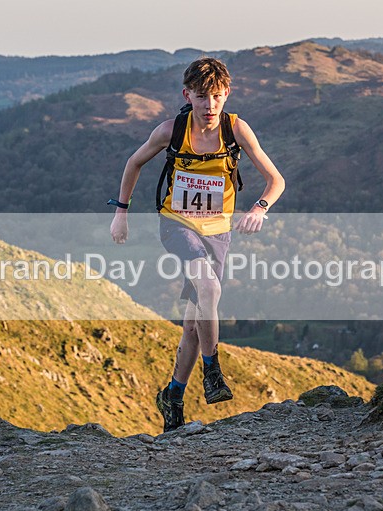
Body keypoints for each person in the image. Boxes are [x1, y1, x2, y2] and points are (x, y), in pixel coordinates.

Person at [109, 57, 285, 432]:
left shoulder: (236, 129)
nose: (210, 106)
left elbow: (276, 180)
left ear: (227, 95)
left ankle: (172, 395)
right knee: (209, 287)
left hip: (218, 232)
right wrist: (121, 212)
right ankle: (212, 370)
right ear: (187, 95)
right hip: (176, 224)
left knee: (193, 323)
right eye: (202, 97)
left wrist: (260, 209)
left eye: (217, 97)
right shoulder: (171, 129)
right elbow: (134, 162)